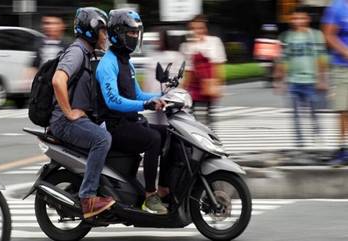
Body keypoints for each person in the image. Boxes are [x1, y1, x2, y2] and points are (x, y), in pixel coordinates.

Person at [96, 9, 169, 215]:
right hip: (113, 127)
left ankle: (164, 188)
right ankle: (149, 196)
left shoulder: (126, 62)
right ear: (118, 33)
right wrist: (145, 106)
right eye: (131, 33)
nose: (135, 37)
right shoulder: (107, 64)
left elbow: (137, 93)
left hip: (128, 122)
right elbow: (113, 101)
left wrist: (160, 97)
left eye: (137, 33)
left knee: (168, 134)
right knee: (153, 139)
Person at [49, 7, 115, 219]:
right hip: (63, 122)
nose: (106, 36)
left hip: (75, 118)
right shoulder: (77, 51)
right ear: (92, 30)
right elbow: (58, 80)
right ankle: (88, 199)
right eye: (103, 31)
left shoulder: (87, 52)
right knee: (102, 139)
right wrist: (68, 113)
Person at [274, 6, 328, 148]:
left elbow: (321, 58)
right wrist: (279, 80)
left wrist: (322, 79)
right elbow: (283, 59)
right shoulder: (286, 37)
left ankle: (317, 133)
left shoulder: (316, 35)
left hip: (311, 80)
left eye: (302, 18)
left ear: (308, 19)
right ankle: (299, 142)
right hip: (293, 81)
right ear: (291, 20)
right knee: (296, 115)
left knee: (314, 112)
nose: (298, 21)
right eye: (295, 18)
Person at [179, 14, 227, 126]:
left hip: (209, 85)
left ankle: (209, 140)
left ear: (205, 28)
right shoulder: (186, 46)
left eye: (200, 28)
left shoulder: (214, 42)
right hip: (193, 86)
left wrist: (220, 84)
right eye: (193, 28)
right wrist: (182, 89)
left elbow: (219, 64)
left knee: (209, 117)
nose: (197, 31)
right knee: (191, 117)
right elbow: (186, 70)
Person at [322, 0, 348, 165]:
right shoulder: (338, 7)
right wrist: (345, 52)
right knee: (344, 109)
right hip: (342, 68)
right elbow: (328, 34)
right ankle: (343, 148)